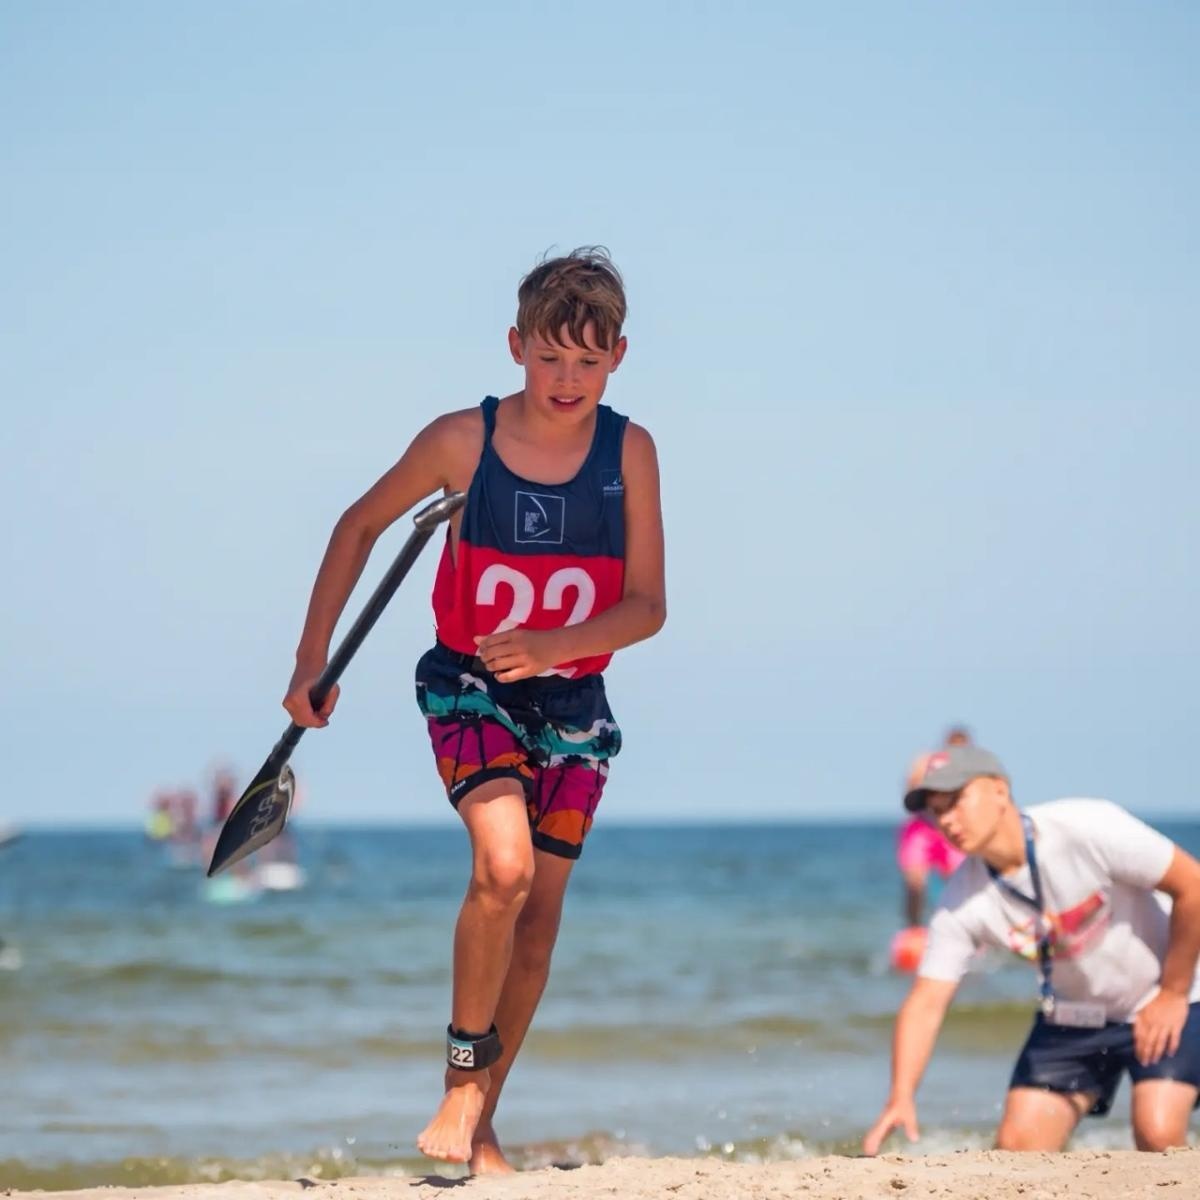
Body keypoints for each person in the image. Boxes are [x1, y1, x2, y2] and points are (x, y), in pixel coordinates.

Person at [281, 248, 666, 1173]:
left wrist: (550, 647)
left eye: (586, 359)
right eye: (548, 356)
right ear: (515, 346)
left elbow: (646, 606)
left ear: (618, 356)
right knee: (503, 870)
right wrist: (311, 660)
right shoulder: (465, 441)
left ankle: (482, 1120)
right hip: (469, 684)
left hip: (573, 700)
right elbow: (358, 527)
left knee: (538, 919)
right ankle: (462, 1077)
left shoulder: (629, 452)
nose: (565, 379)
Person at [863, 745, 1200, 1155]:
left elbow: (1193, 886)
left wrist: (1172, 994)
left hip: (1167, 994)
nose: (946, 820)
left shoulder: (1085, 826)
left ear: (1000, 790)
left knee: (1157, 1135)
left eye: (956, 801)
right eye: (935, 810)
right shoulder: (961, 901)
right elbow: (926, 1002)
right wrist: (900, 1095)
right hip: (1075, 1015)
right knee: (1016, 1151)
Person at [897, 726, 971, 928]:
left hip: (951, 831)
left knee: (961, 882)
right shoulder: (926, 762)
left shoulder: (972, 770)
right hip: (922, 827)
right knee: (915, 882)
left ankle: (963, 927)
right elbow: (910, 789)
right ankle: (912, 929)